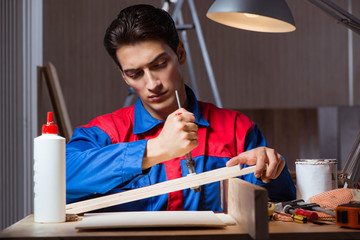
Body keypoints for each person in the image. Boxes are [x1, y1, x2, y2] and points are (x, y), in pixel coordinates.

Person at [66, 4, 296, 211]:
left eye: (159, 64)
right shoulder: (104, 132)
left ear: (181, 53)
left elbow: (279, 205)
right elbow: (59, 178)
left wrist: (271, 172)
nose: (152, 84)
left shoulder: (238, 129)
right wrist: (154, 150)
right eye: (135, 74)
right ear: (124, 77)